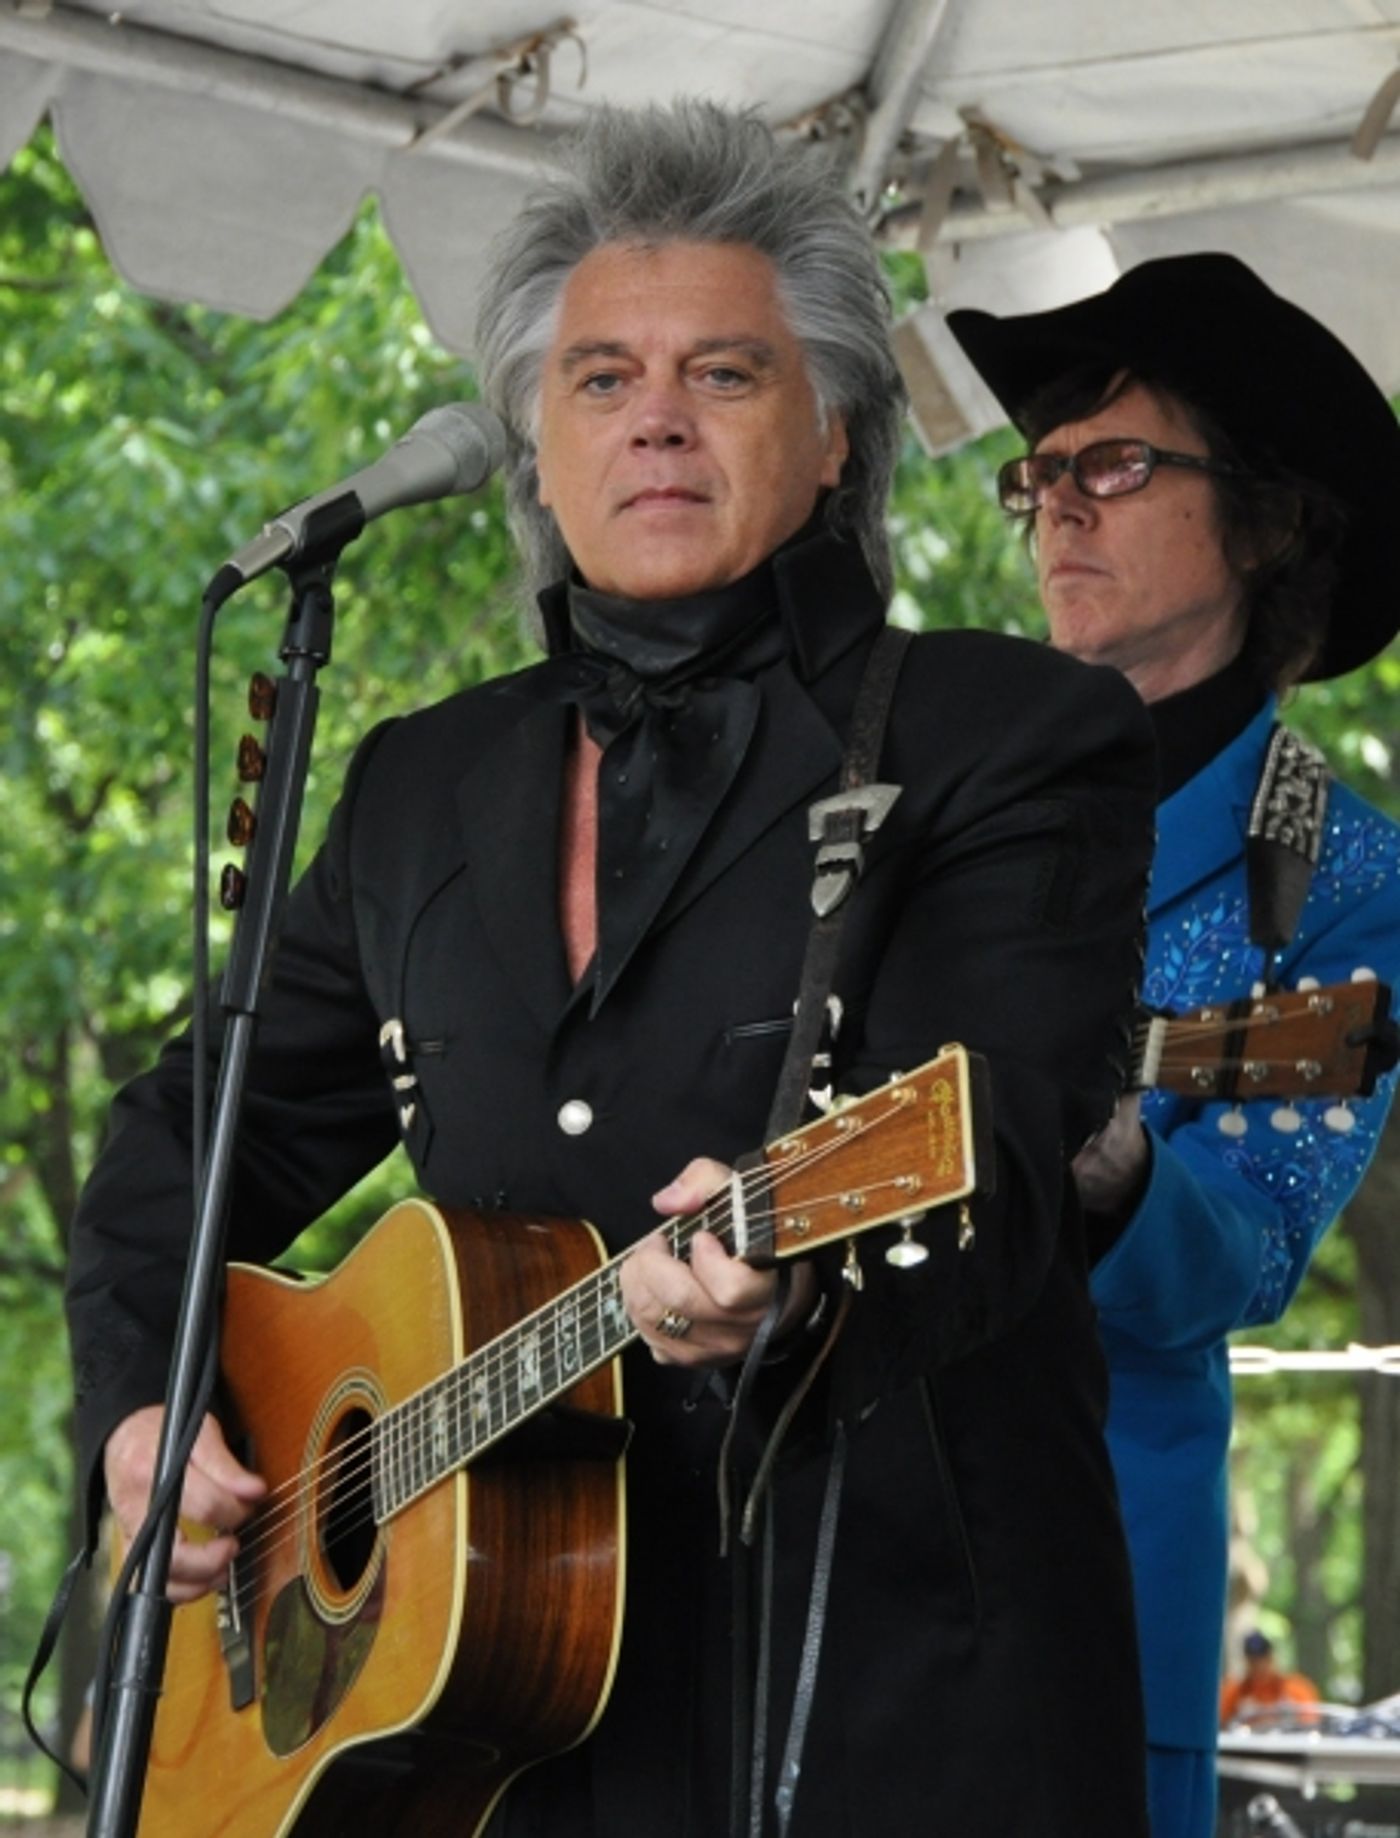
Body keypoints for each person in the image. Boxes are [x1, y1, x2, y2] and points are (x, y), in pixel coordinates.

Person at [66, 103, 1159, 1836]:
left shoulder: (1008, 738)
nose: (653, 414)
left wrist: (800, 1289)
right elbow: (190, 1138)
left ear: (833, 438)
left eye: (722, 373)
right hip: (477, 1741)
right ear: (534, 444)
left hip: (887, 1712)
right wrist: (147, 1402)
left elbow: (1004, 1153)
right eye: (599, 378)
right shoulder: (421, 784)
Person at [948, 253, 1400, 1838]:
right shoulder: (933, 791)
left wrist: (1123, 1176)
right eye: (1042, 474)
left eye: (1115, 464)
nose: (1059, 507)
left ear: (1267, 520)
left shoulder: (1344, 875)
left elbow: (1256, 1248)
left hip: (1092, 1565)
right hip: (822, 1549)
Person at [1220, 1633, 1320, 1728]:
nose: (1259, 1665)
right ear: (1246, 1660)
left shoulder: (1297, 1688)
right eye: (1253, 1660)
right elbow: (1222, 1723)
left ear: (1271, 1658)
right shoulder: (1235, 1691)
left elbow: (1311, 1722)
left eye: (1263, 1659)